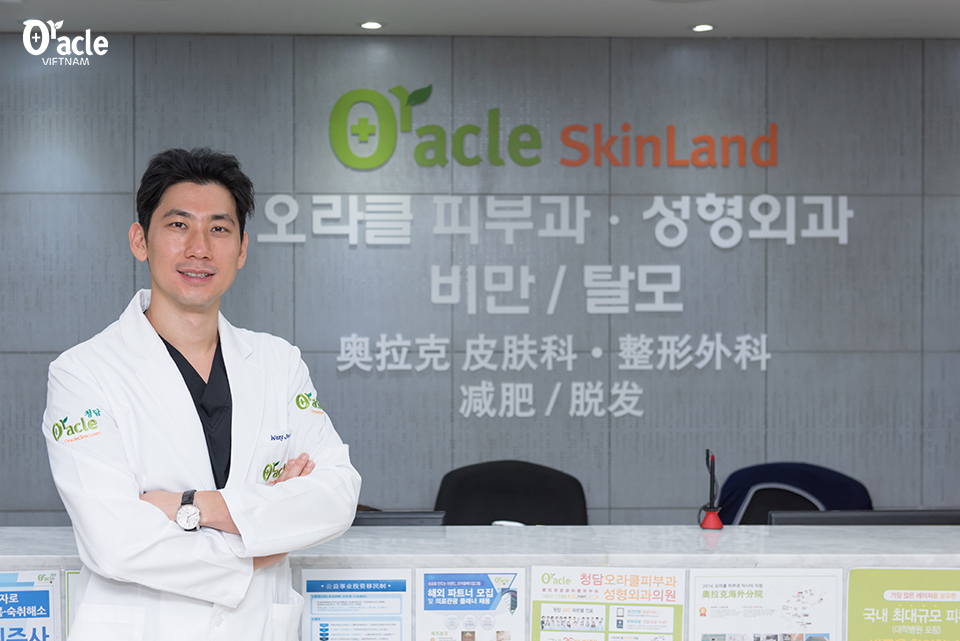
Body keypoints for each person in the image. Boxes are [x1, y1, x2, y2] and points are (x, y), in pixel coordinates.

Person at [41, 148, 361, 641]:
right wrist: (262, 542)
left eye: (219, 228)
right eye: (178, 225)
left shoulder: (278, 363)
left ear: (242, 249)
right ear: (140, 240)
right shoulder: (83, 373)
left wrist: (193, 506)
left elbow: (337, 494)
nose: (199, 248)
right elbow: (117, 543)